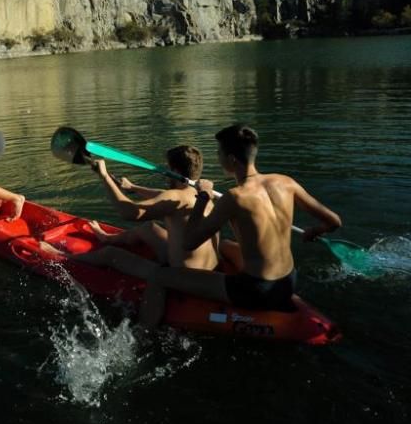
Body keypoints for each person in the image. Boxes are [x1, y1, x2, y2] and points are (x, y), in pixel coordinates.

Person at [129, 124, 342, 326]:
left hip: (256, 290)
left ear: (231, 160)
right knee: (227, 245)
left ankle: (143, 334)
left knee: (158, 276)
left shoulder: (235, 197)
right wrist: (315, 231)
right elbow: (334, 221)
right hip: (288, 282)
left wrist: (202, 198)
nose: (218, 157)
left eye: (219, 153)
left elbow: (189, 242)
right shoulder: (286, 182)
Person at [41, 145, 220, 278]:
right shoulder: (203, 193)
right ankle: (107, 237)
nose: (164, 172)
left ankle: (61, 256)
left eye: (167, 168)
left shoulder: (176, 196)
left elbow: (129, 212)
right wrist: (133, 187)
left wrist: (103, 176)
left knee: (110, 254)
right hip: (205, 267)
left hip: (182, 275)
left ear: (175, 171)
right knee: (148, 228)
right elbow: (166, 197)